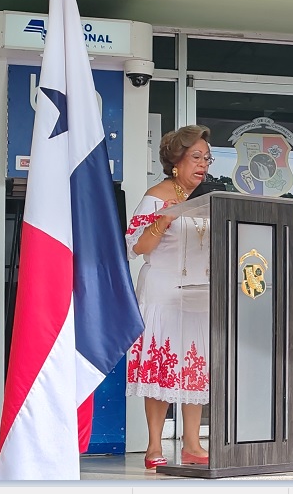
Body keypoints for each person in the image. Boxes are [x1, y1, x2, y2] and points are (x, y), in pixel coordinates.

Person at [125, 125, 214, 469]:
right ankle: (153, 446)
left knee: (193, 368)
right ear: (175, 161)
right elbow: (136, 246)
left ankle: (193, 444)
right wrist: (163, 220)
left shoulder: (202, 201)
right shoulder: (156, 196)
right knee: (161, 369)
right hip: (162, 293)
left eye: (206, 158)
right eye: (195, 157)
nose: (202, 164)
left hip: (197, 294)